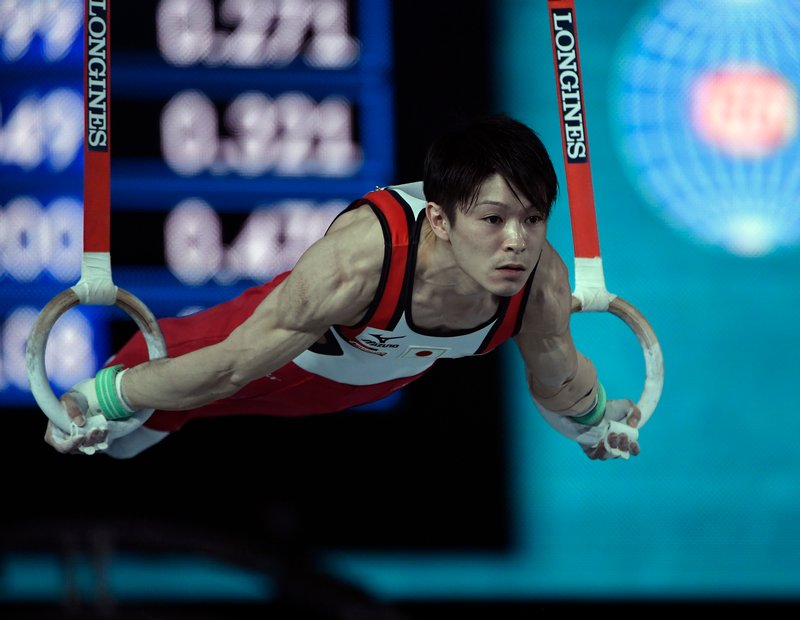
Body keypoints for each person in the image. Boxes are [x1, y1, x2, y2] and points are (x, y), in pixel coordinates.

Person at [44, 114, 642, 460]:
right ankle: (98, 396)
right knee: (125, 432)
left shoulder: (539, 284)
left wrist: (595, 424)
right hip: (271, 347)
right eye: (492, 219)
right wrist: (106, 397)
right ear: (439, 219)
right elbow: (230, 367)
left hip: (356, 386)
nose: (517, 241)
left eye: (533, 219)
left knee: (129, 434)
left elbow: (559, 379)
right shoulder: (359, 261)